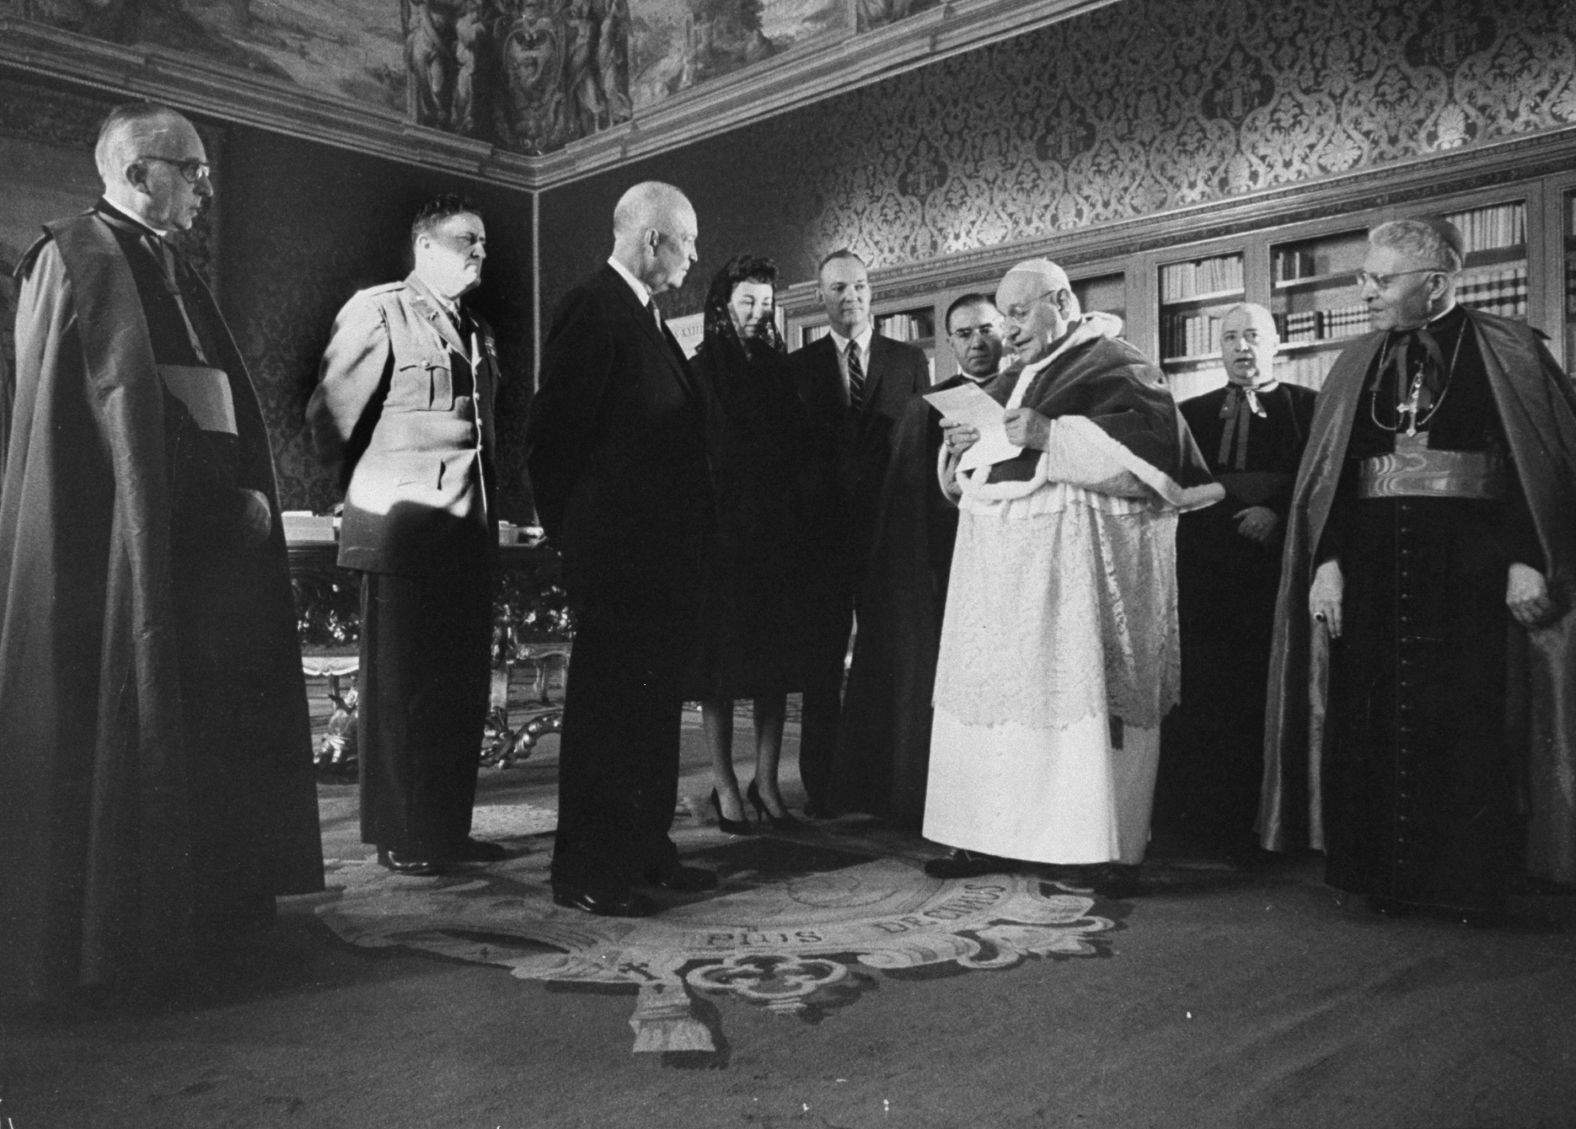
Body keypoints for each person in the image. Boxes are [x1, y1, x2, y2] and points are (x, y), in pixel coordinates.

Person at [0, 102, 323, 1000]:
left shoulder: (166, 260)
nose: (206, 189)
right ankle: (135, 931)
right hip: (127, 542)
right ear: (140, 173)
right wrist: (218, 496)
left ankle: (216, 906)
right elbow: (107, 420)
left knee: (212, 712)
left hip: (207, 537)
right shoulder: (73, 257)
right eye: (192, 169)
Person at [1261, 217, 1576, 922]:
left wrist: (1528, 557)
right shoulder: (1354, 362)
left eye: (1379, 279)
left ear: (1434, 284)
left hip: (1471, 571)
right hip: (1371, 569)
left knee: (1465, 727)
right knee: (1368, 722)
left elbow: (1549, 468)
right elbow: (1330, 479)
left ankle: (1462, 885)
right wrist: (1328, 562)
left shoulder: (1511, 352)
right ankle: (1379, 877)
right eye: (1364, 276)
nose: (1365, 289)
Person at [922, 258, 1220, 895]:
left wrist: (1050, 433)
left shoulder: (1117, 362)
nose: (1009, 330)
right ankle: (987, 835)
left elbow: (1154, 460)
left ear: (1062, 300)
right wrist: (959, 453)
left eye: (1021, 313)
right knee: (1003, 701)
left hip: (1078, 582)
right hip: (1004, 584)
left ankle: (1094, 847)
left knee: (1078, 698)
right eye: (1005, 317)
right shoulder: (1015, 374)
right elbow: (983, 480)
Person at [526, 181, 718, 917]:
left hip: (660, 564)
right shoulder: (593, 306)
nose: (695, 255)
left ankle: (644, 849)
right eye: (688, 240)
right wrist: (582, 545)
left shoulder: (649, 318)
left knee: (649, 714)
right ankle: (586, 867)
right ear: (652, 241)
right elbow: (551, 443)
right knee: (608, 716)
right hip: (617, 563)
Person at [307, 194, 503, 877]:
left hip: (463, 537)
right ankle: (402, 835)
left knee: (459, 691)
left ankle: (446, 829)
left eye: (483, 243)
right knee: (402, 696)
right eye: (465, 241)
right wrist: (365, 498)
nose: (480, 252)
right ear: (426, 246)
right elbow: (332, 416)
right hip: (402, 537)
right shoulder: (380, 308)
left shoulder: (475, 328)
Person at [830, 293, 1007, 829]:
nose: (978, 342)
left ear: (1003, 331)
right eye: (965, 334)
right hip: (946, 567)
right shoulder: (927, 405)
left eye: (986, 330)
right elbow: (907, 508)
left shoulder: (1030, 392)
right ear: (949, 345)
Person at [1156, 303, 1315, 852]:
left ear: (1276, 342)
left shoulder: (1309, 407)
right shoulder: (1188, 412)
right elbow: (1175, 482)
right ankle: (1203, 828)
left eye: (1252, 336)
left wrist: (1275, 510)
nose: (1242, 348)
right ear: (1218, 348)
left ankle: (1264, 829)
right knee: (1204, 692)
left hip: (1276, 566)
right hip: (1206, 569)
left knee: (1263, 691)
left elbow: (1318, 477)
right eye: (1230, 338)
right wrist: (1225, 515)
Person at [791, 249, 930, 818]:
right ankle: (822, 787)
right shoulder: (799, 368)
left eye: (859, 287)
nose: (850, 298)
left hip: (887, 536)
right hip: (822, 541)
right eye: (837, 289)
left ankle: (880, 785)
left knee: (885, 660)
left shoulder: (908, 362)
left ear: (872, 293)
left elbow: (921, 447)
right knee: (820, 666)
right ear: (821, 298)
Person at [680, 255, 809, 834]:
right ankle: (725, 784)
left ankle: (767, 781)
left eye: (765, 303)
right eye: (746, 303)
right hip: (721, 541)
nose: (758, 314)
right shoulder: (701, 370)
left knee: (774, 669)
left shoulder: (781, 371)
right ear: (723, 307)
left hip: (777, 540)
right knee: (721, 673)